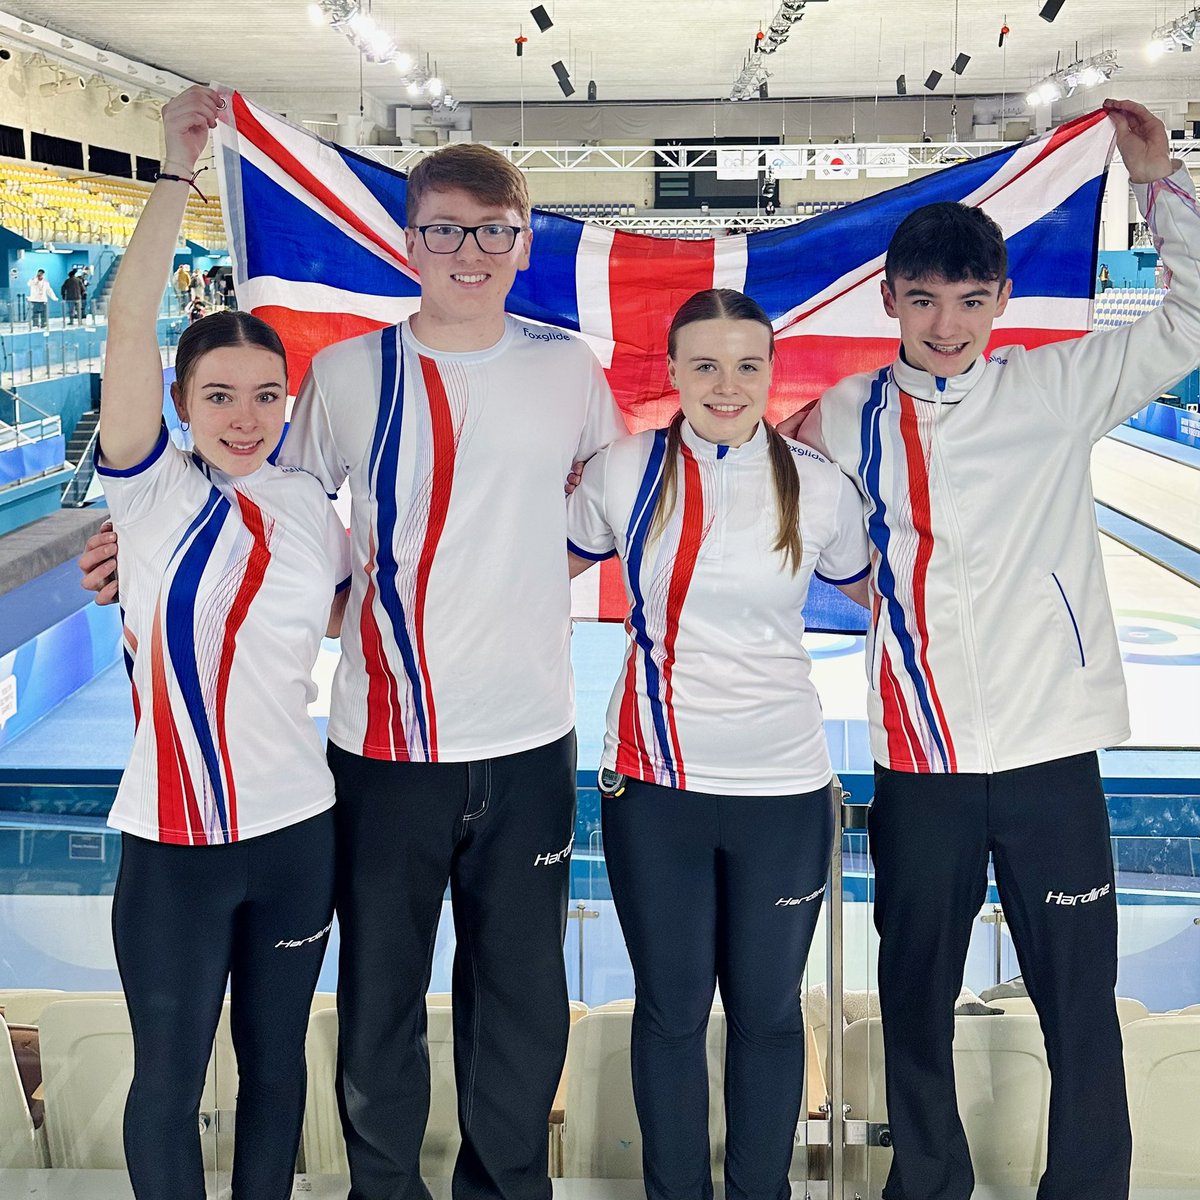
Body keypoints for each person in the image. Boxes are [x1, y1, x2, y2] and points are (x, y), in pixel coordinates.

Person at [82, 137, 625, 1200]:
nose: (467, 250)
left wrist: (507, 578)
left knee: (518, 1003)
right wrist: (132, 558)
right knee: (378, 1006)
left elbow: (614, 510)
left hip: (527, 739)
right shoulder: (341, 375)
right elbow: (262, 516)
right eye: (443, 229)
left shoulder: (569, 369)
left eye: (491, 230)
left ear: (521, 242)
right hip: (382, 748)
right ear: (408, 239)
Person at [780, 98, 1197, 1200]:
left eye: (970, 301)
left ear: (1003, 300)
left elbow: (1190, 323)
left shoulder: (1054, 388)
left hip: (1052, 757)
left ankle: (1087, 1188)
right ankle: (929, 1185)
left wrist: (1163, 189)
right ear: (891, 303)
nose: (949, 324)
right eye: (925, 301)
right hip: (921, 763)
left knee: (1079, 1007)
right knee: (913, 1000)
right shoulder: (844, 413)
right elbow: (779, 510)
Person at [95, 86, 350, 1200]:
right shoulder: (148, 495)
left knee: (279, 1073)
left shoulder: (306, 506)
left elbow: (356, 616)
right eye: (218, 396)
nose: (243, 417)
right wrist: (173, 173)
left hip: (298, 831)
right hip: (173, 849)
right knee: (167, 1082)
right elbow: (123, 324)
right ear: (184, 405)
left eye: (263, 395)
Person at [566, 288, 869, 1200]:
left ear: (773, 373)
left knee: (771, 1016)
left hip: (784, 791)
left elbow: (900, 599)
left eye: (748, 365)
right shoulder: (620, 472)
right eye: (705, 365)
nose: (727, 386)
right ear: (673, 373)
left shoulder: (819, 487)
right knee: (669, 1014)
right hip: (656, 792)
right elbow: (524, 569)